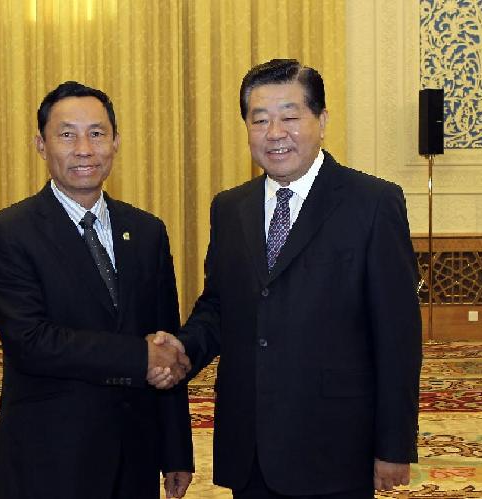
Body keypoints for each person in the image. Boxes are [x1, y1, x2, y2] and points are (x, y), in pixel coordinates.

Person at [154, 59, 422, 498]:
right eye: (260, 120)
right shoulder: (229, 207)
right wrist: (183, 350)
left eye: (290, 117)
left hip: (335, 447)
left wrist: (393, 445)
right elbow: (220, 307)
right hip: (250, 444)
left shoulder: (372, 204)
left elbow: (398, 336)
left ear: (322, 121)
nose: (275, 132)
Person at [0, 81, 193, 499]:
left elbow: (165, 336)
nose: (83, 148)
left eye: (96, 133)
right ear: (41, 145)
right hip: (51, 456)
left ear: (115, 142)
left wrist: (176, 450)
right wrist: (139, 356)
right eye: (66, 134)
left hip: (134, 455)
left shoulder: (147, 230)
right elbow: (30, 341)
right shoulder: (8, 233)